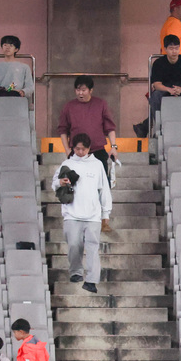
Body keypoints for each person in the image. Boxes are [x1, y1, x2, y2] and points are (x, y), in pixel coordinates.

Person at [53, 133, 113, 294]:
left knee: (93, 248)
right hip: (72, 214)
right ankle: (76, 272)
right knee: (74, 245)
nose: (80, 152)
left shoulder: (97, 165)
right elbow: (54, 184)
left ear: (89, 149)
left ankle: (92, 280)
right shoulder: (67, 163)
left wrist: (105, 213)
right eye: (77, 148)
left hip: (93, 215)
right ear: (73, 148)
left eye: (83, 149)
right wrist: (61, 182)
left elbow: (104, 190)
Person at [57, 76, 119, 181]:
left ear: (91, 90)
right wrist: (67, 150)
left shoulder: (101, 104)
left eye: (83, 90)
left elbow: (110, 127)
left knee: (102, 184)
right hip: (77, 153)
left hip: (98, 151)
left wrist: (113, 146)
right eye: (78, 90)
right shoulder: (69, 106)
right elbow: (63, 130)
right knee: (78, 184)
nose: (80, 93)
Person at [139, 34, 181, 138]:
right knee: (155, 96)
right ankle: (158, 124)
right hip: (165, 90)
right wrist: (169, 90)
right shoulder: (158, 63)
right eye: (171, 49)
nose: (174, 51)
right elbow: (157, 84)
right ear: (165, 49)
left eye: (176, 48)